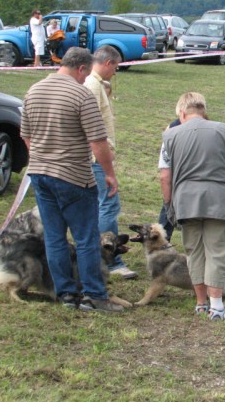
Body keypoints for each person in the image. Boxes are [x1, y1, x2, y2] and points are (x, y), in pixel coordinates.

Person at [20, 47, 124, 312]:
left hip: (40, 175)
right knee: (86, 239)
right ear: (81, 69)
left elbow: (25, 134)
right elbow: (98, 141)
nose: (85, 77)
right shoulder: (81, 94)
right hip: (74, 177)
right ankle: (94, 295)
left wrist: (41, 157)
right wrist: (109, 174)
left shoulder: (33, 90)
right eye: (86, 73)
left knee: (54, 237)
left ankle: (65, 293)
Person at [159, 92, 225, 321]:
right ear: (203, 109)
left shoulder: (169, 136)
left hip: (186, 201)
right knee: (217, 252)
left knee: (193, 251)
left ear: (181, 112)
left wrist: (169, 204)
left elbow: (164, 176)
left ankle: (201, 303)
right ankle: (217, 306)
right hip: (221, 200)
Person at [84, 45, 137, 279]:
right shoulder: (93, 86)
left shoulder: (96, 84)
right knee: (109, 204)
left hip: (95, 155)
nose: (116, 71)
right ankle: (112, 259)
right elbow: (93, 126)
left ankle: (95, 254)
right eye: (115, 66)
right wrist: (105, 159)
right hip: (97, 157)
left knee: (99, 205)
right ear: (107, 63)